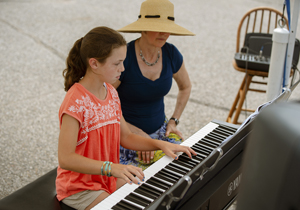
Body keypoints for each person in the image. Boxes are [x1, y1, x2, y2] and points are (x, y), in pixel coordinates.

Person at [56, 26, 196, 210]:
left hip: (107, 177)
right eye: (117, 63)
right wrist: (112, 168)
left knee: (155, 199)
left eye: (123, 62)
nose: (123, 68)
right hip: (80, 188)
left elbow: (126, 137)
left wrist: (160, 144)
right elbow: (65, 158)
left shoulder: (111, 93)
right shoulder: (75, 102)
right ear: (94, 63)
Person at [112, 0, 195, 169]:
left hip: (160, 132)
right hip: (125, 135)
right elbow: (102, 100)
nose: (164, 33)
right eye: (158, 27)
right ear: (143, 27)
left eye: (168, 28)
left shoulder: (171, 53)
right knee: (136, 185)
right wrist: (136, 133)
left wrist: (173, 121)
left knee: (186, 167)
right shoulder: (125, 56)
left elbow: (185, 87)